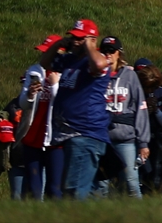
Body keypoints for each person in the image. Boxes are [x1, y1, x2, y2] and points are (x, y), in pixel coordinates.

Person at [41, 20, 110, 200]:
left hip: (85, 134)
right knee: (73, 191)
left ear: (92, 40)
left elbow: (100, 64)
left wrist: (89, 46)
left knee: (75, 193)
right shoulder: (69, 60)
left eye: (79, 38)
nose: (74, 41)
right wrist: (57, 44)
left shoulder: (95, 61)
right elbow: (44, 62)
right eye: (73, 37)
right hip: (70, 135)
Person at [96, 37, 149, 198]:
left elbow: (141, 107)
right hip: (101, 137)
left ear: (119, 53)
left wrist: (143, 142)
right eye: (104, 51)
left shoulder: (130, 76)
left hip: (125, 138)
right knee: (101, 185)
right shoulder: (95, 75)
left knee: (131, 183)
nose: (108, 55)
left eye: (111, 51)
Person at [18, 35, 63, 200]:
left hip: (55, 141)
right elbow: (23, 103)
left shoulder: (65, 73)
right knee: (33, 190)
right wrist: (29, 94)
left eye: (47, 52)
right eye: (43, 52)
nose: (44, 56)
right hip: (32, 138)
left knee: (54, 189)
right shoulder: (34, 70)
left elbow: (65, 106)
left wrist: (55, 85)